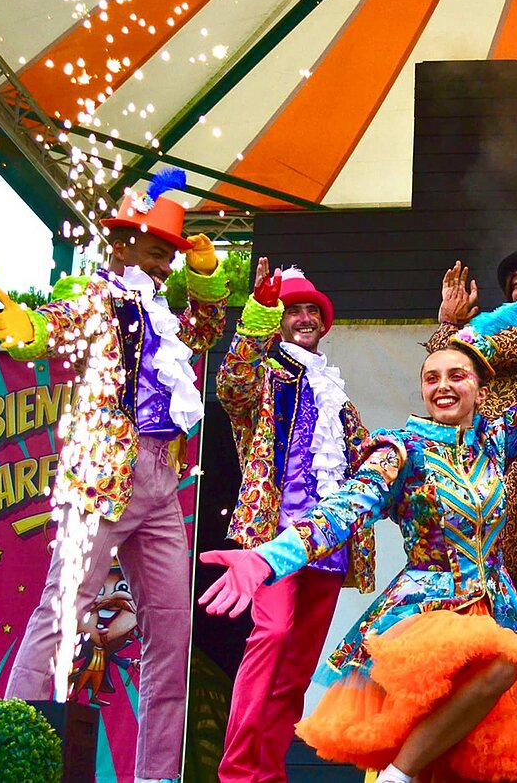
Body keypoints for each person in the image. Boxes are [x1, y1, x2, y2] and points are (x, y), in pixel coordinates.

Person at [199, 294, 517, 783]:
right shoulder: (402, 450)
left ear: (482, 391)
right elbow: (345, 508)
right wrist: (271, 557)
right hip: (427, 620)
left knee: (461, 760)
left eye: (456, 376)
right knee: (501, 666)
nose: (442, 386)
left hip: (494, 608)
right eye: (431, 378)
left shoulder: (498, 439)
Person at [0, 169, 227, 783]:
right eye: (154, 247)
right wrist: (33, 331)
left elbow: (207, 328)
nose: (163, 259)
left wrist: (204, 271)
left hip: (161, 481)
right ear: (122, 245)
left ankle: (155, 776)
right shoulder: (99, 293)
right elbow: (64, 322)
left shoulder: (165, 310)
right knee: (62, 610)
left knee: (172, 631)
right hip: (103, 478)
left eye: (168, 252)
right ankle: (14, 758)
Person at [214, 259, 373, 782]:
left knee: (299, 662)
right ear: (279, 320)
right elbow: (231, 382)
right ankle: (239, 772)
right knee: (273, 635)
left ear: (323, 322)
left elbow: (365, 458)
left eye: (311, 310)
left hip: (328, 546)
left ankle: (269, 771)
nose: (303, 317)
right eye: (292, 309)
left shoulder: (336, 391)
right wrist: (257, 309)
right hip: (274, 538)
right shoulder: (265, 375)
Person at [425, 242, 517, 600]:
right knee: (449, 579)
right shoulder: (503, 325)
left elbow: (465, 356)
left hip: (509, 466)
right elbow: (449, 363)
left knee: (494, 581)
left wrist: (449, 323)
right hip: (461, 463)